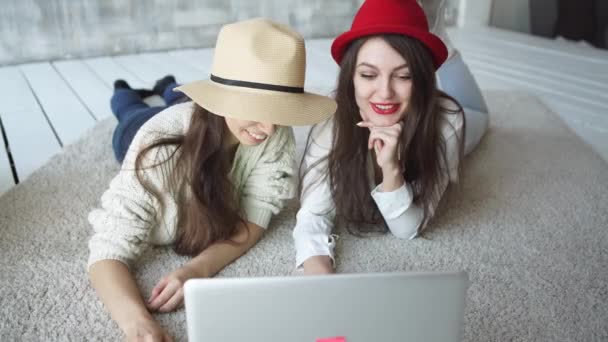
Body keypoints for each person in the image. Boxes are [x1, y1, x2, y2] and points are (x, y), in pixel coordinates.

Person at [87, 18, 336, 341]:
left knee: (175, 95)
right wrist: (138, 324)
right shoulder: (157, 146)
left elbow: (255, 216)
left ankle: (168, 84)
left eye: (279, 111)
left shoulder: (274, 135)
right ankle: (123, 91)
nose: (270, 129)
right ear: (225, 98)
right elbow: (107, 251)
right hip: (141, 128)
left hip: (206, 116)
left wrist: (197, 269)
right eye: (258, 108)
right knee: (129, 111)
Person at [293, 0, 486, 275]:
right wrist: (320, 274)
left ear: (421, 79)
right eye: (368, 74)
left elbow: (409, 229)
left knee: (480, 112)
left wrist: (391, 168)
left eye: (404, 76)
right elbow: (312, 215)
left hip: (467, 114)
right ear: (351, 78)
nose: (384, 93)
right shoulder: (332, 119)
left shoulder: (448, 121)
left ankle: (440, 37)